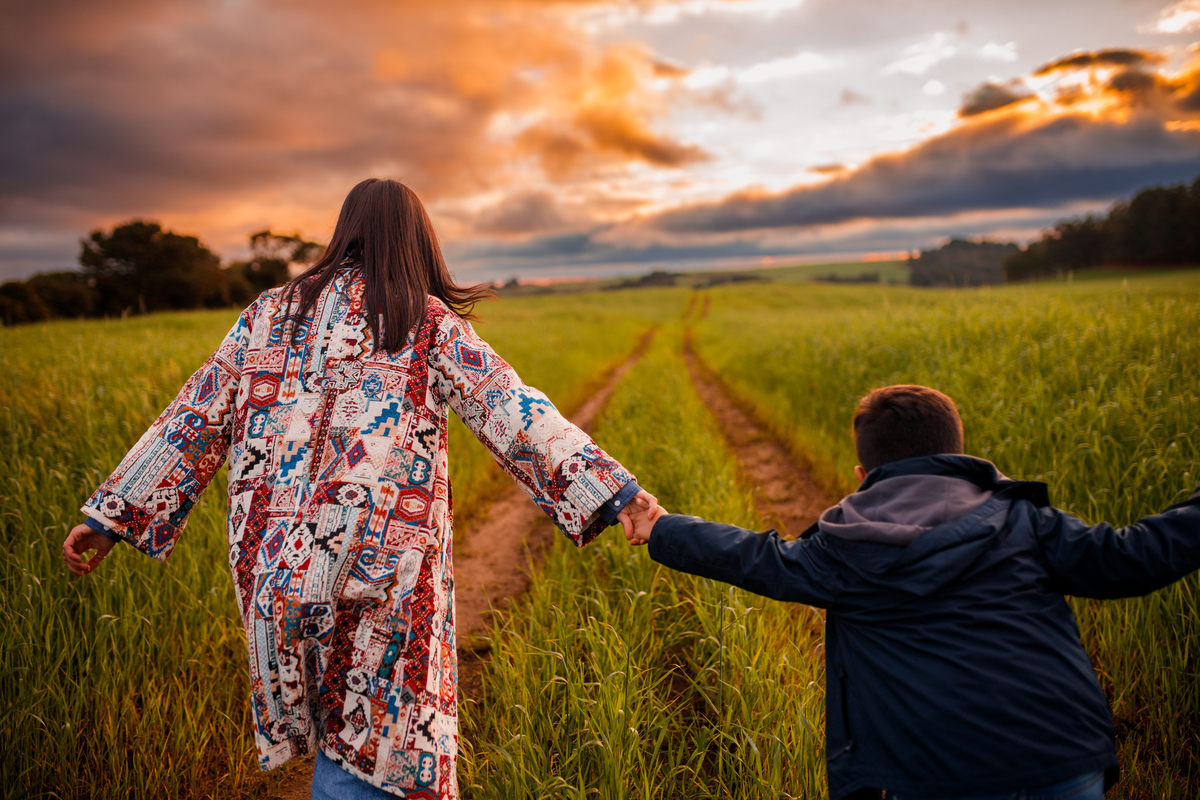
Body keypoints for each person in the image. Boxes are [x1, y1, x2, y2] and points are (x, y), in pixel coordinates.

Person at [61, 178, 657, 800]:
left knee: (340, 743)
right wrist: (616, 497)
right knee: (381, 752)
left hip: (275, 573)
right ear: (416, 239)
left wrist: (110, 519)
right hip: (383, 573)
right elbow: (511, 411)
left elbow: (193, 417)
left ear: (345, 230)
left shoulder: (268, 312)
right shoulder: (419, 318)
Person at [618, 384, 1200, 800]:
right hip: (1063, 761)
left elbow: (757, 559)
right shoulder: (1026, 522)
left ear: (862, 475)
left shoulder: (846, 546)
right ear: (958, 453)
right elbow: (1135, 556)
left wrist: (661, 526)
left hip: (936, 775)